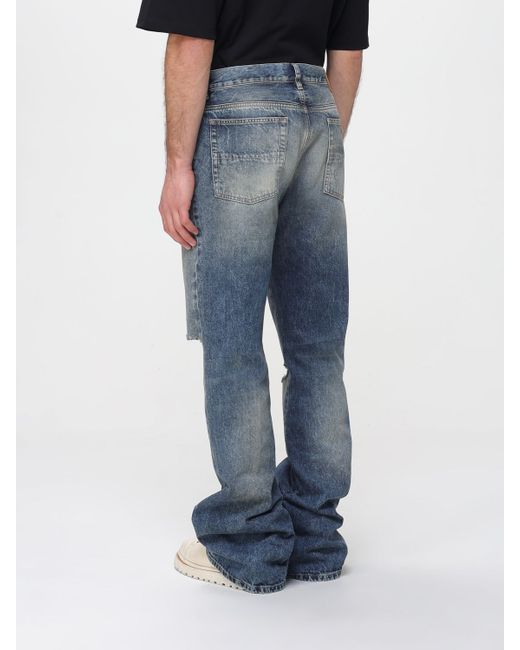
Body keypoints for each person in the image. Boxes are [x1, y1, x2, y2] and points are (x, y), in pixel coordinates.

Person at [136, 0, 369, 594]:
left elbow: (189, 42)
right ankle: (314, 534)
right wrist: (319, 140)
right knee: (317, 347)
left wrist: (178, 166)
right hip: (319, 112)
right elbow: (347, 53)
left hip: (237, 117)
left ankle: (248, 541)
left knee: (233, 343)